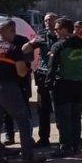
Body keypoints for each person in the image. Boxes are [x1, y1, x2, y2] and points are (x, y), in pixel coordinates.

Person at [0, 20, 47, 163]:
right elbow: (21, 72)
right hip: (9, 88)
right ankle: (27, 156)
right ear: (12, 31)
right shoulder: (13, 49)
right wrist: (27, 70)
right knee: (23, 122)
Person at [47, 18, 82, 157]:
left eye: (57, 29)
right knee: (75, 116)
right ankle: (76, 145)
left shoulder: (59, 46)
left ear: (64, 29)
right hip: (79, 83)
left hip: (63, 84)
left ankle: (65, 147)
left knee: (63, 118)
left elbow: (51, 68)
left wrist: (48, 84)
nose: (55, 32)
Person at [22, 12, 57, 147]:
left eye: (50, 20)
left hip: (59, 75)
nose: (47, 22)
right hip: (43, 74)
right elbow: (25, 50)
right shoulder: (41, 35)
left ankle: (65, 139)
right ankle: (44, 138)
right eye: (46, 20)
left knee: (60, 109)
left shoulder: (62, 35)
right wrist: (31, 43)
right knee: (43, 109)